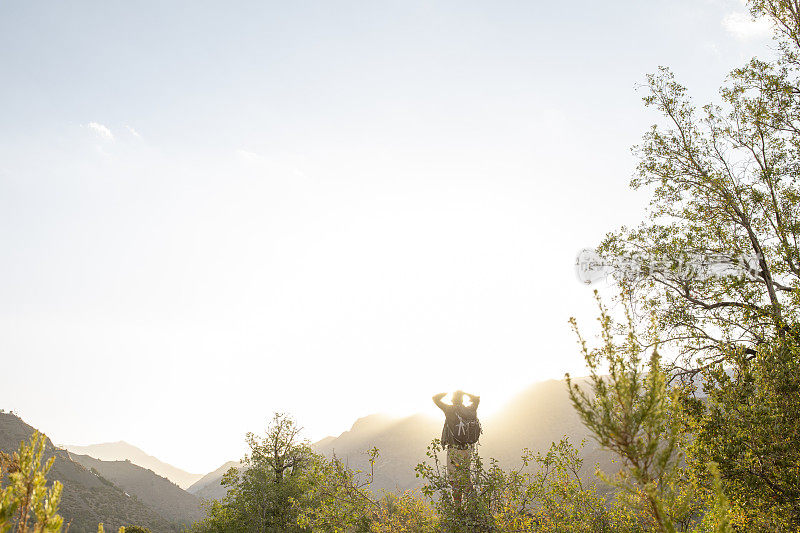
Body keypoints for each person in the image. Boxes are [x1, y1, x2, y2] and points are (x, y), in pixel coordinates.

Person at [432, 390, 480, 504]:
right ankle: (474, 504)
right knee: (466, 478)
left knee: (455, 481)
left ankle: (457, 507)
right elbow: (477, 399)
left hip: (454, 450)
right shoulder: (470, 410)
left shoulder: (450, 409)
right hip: (467, 450)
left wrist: (445, 393)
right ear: (462, 400)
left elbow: (435, 398)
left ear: (453, 400)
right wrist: (465, 393)